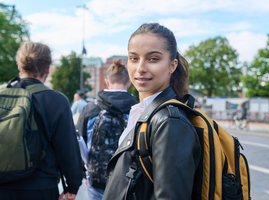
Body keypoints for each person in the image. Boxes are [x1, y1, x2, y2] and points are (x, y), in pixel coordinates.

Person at [102, 23, 201, 200]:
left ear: (172, 65)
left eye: (153, 59)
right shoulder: (144, 112)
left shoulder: (170, 121)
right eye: (134, 58)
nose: (140, 68)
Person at [0, 42, 83, 200]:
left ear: (19, 65)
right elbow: (67, 149)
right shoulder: (56, 100)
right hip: (40, 188)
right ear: (48, 68)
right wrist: (73, 185)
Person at [76, 59, 138, 200]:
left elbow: (79, 141)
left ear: (107, 82)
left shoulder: (90, 108)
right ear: (128, 83)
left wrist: (84, 172)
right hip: (128, 180)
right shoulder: (138, 109)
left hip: (97, 178)